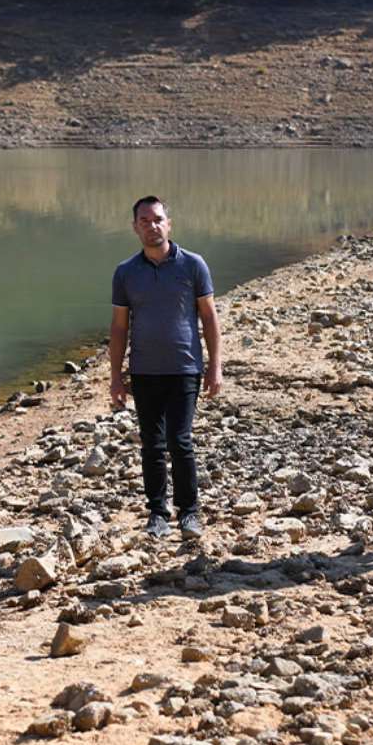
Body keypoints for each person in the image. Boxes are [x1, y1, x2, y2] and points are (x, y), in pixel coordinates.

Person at [109, 196, 223, 539]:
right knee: (152, 445)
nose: (152, 225)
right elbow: (118, 327)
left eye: (157, 219)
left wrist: (214, 366)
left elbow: (209, 317)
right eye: (144, 221)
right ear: (135, 227)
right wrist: (116, 376)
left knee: (181, 440)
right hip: (144, 371)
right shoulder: (126, 272)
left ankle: (190, 513)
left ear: (168, 224)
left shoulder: (193, 265)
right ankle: (158, 513)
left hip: (185, 368)